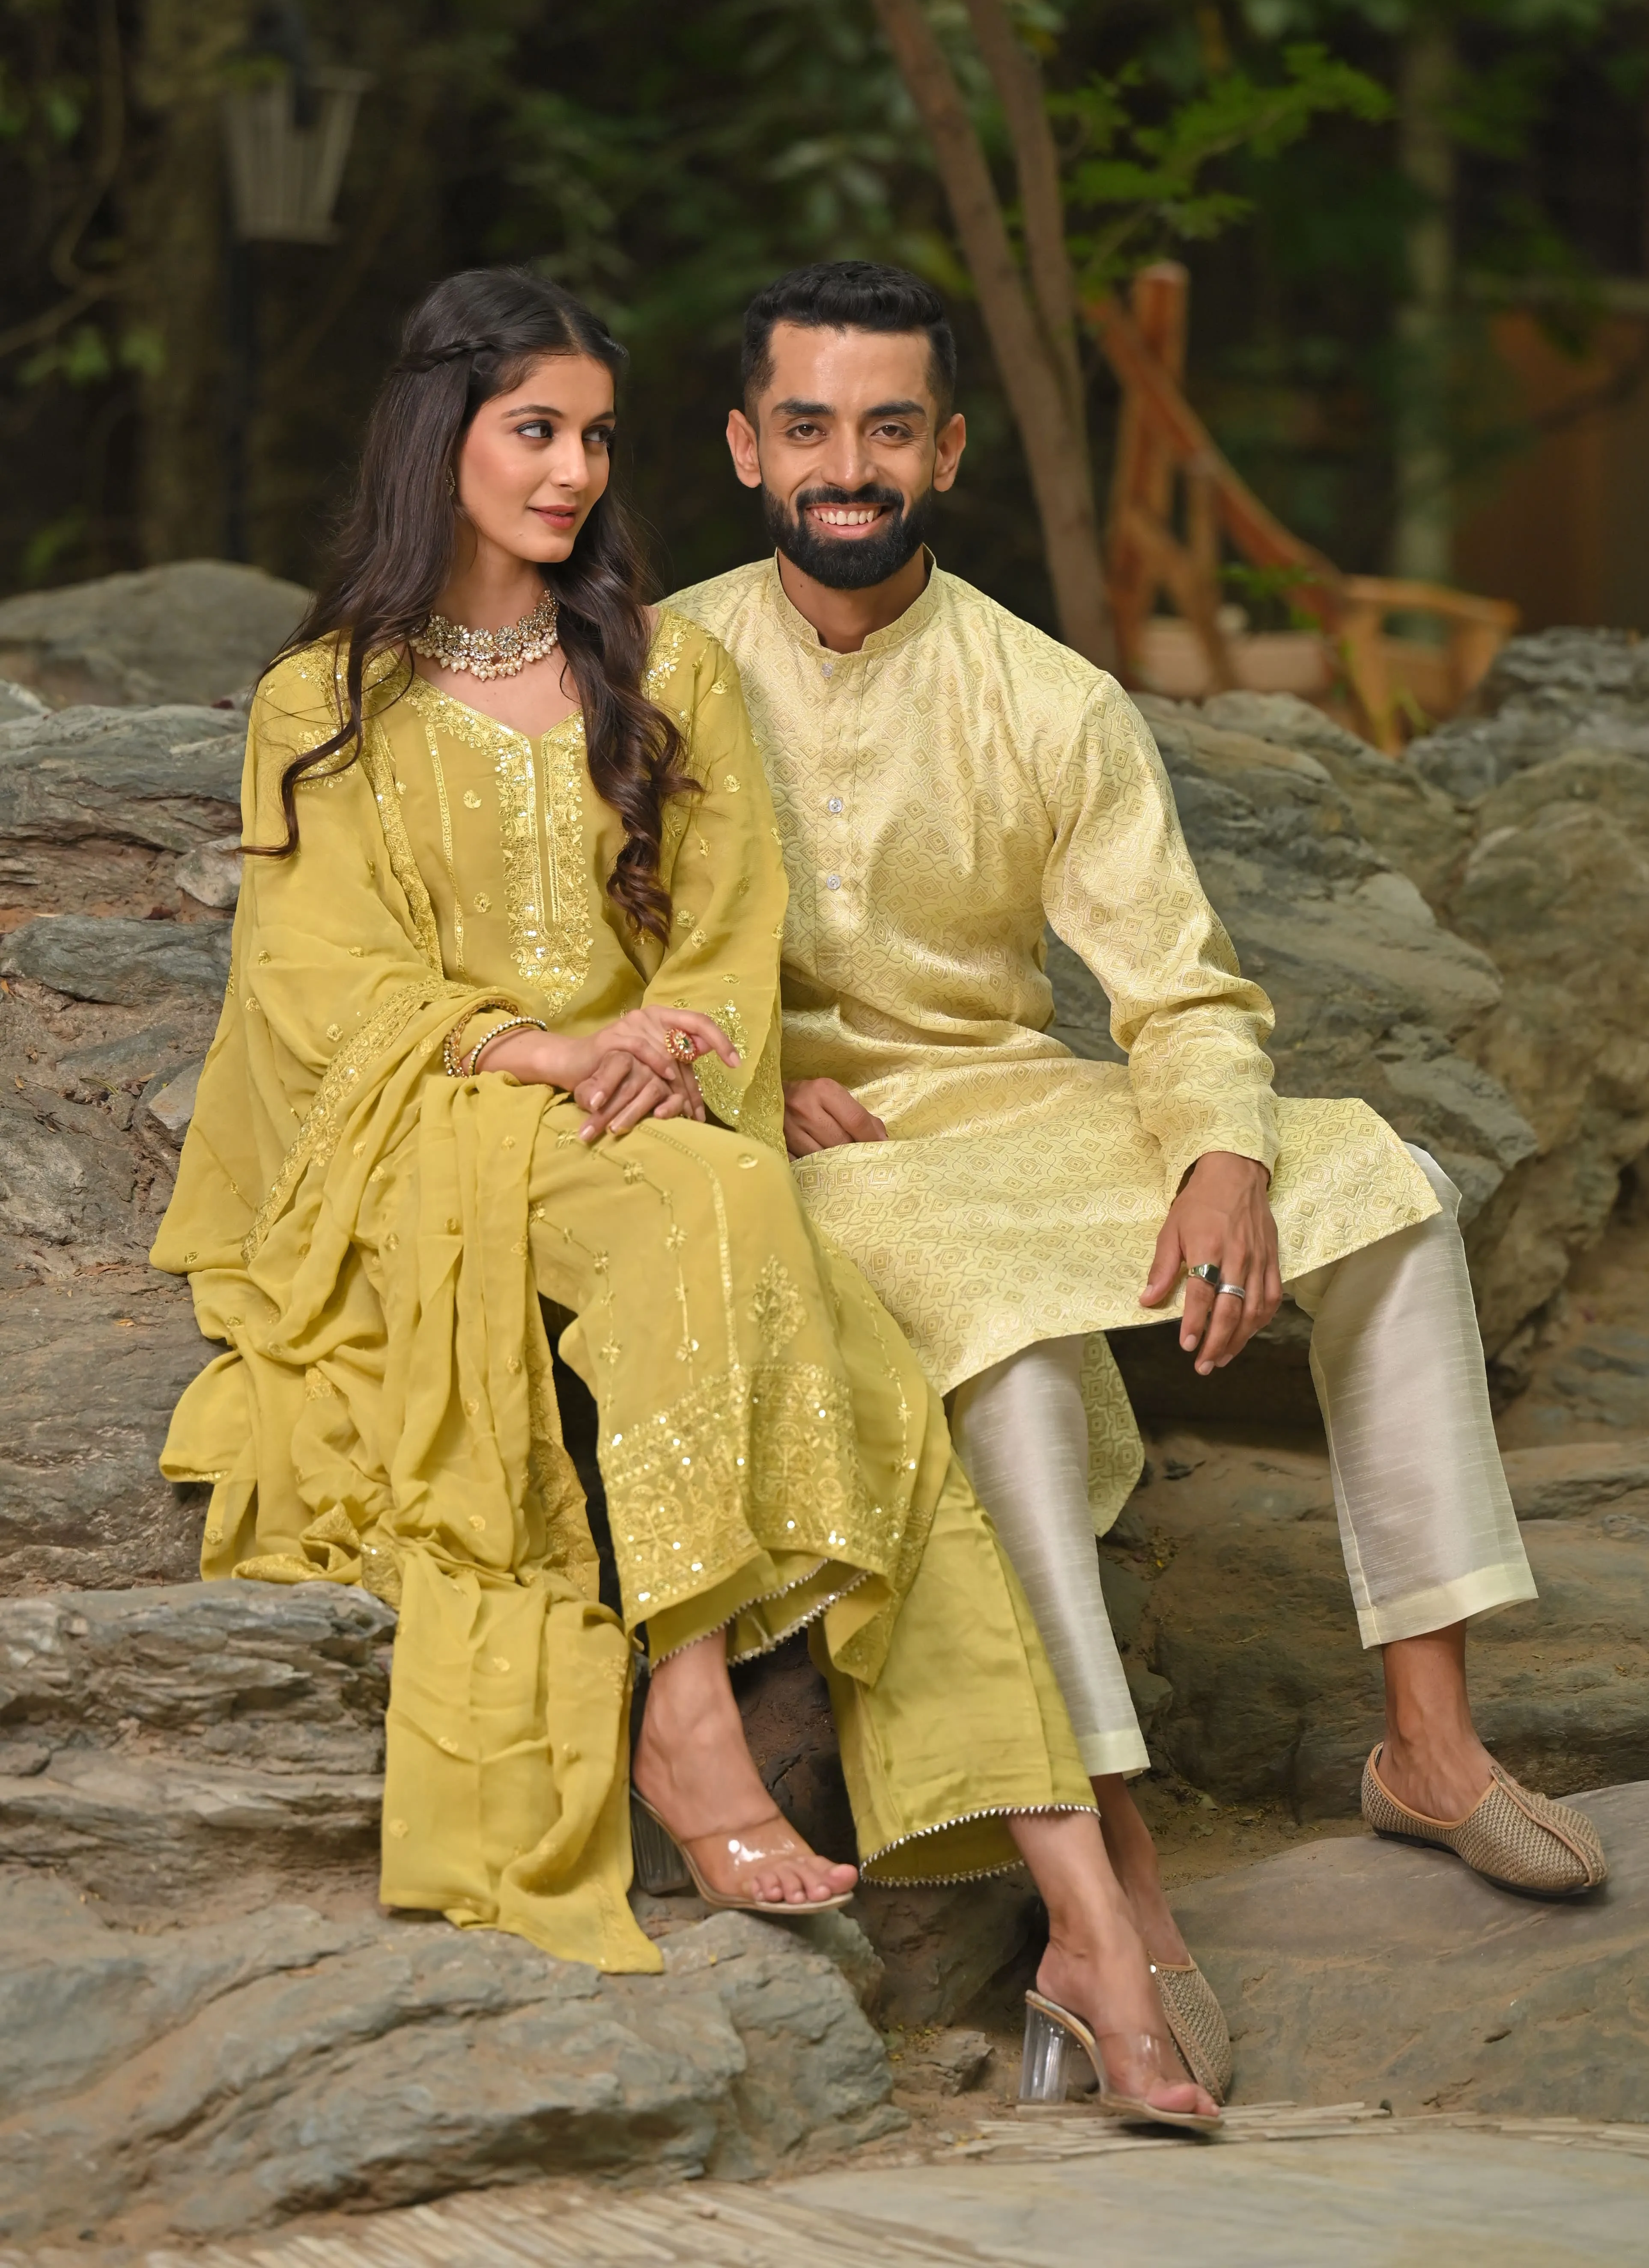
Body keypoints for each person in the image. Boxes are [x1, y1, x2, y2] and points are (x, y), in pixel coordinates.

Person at [153, 265, 1219, 2128]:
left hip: (656, 1114)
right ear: (445, 440)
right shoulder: (321, 701)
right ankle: (696, 1707)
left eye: (594, 438)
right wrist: (551, 1053)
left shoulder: (663, 665)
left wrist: (667, 1041)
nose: (573, 473)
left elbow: (730, 944)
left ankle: (1090, 1931)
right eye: (534, 432)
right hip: (443, 1130)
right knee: (722, 1218)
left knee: (863, 1367)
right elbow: (329, 988)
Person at [668, 259, 1610, 2095]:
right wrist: (751, 1061)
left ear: (945, 447)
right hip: (820, 1140)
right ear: (741, 448)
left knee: (1390, 1178)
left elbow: (1179, 987)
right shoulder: (654, 669)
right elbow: (587, 947)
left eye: (884, 427)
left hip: (1024, 1107)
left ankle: (1427, 1738)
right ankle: (1120, 1882)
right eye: (806, 427)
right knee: (1005, 1353)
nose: (844, 464)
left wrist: (1225, 1161)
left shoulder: (1050, 694)